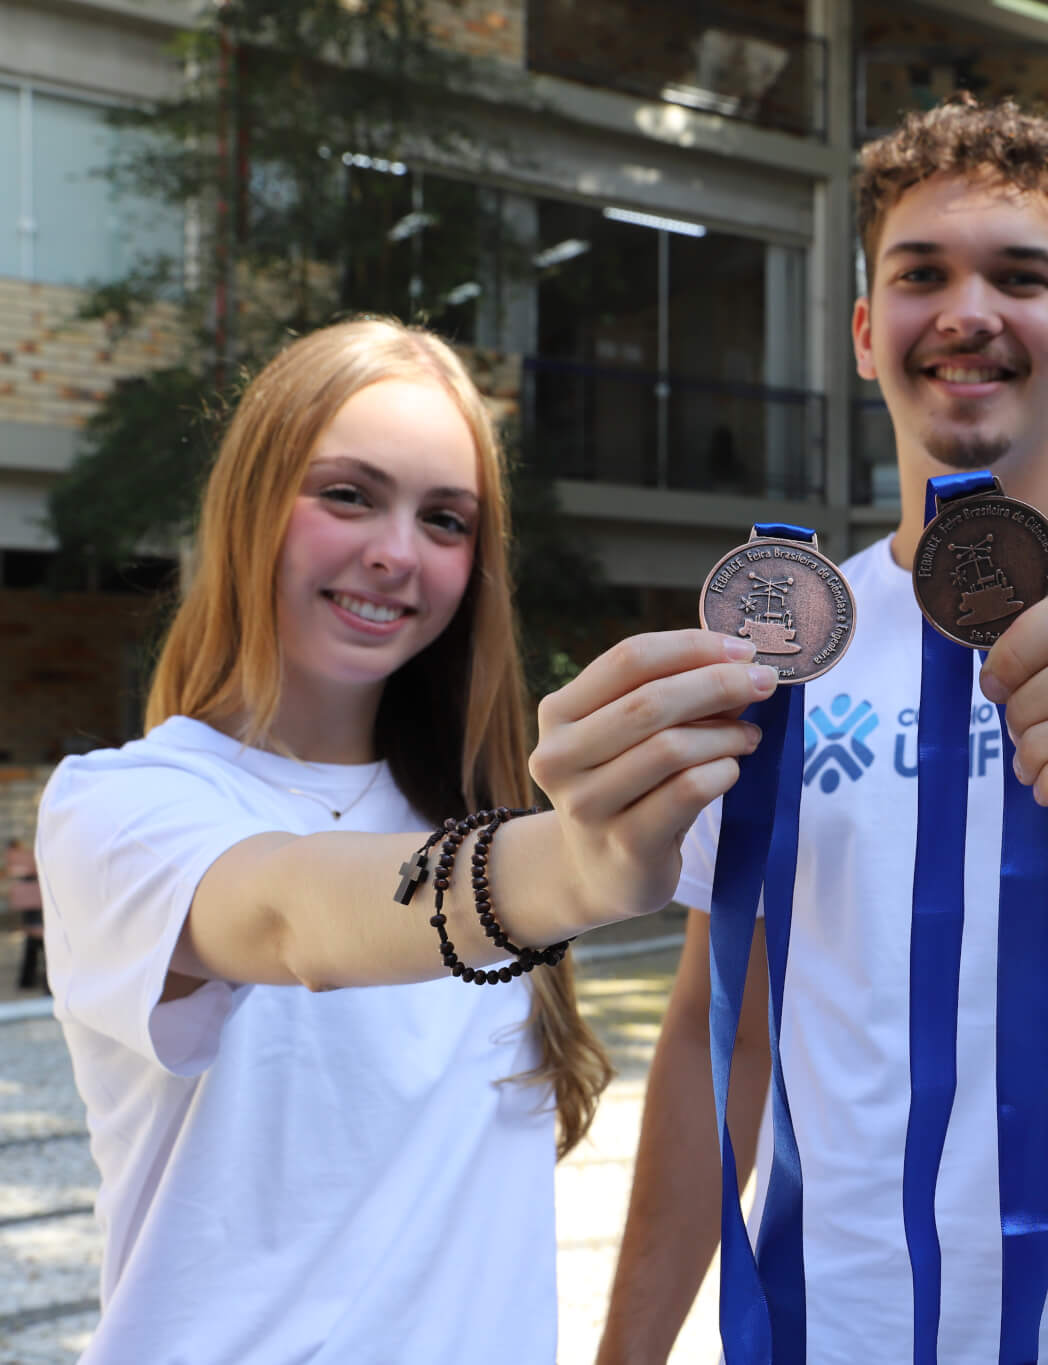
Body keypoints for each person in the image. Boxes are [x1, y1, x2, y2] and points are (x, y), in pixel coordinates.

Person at [597, 100, 1048, 1364]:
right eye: (921, 274)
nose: (967, 311)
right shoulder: (780, 642)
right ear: (868, 331)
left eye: (1020, 278)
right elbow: (731, 1034)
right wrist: (627, 1352)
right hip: (835, 1328)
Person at [36, 317, 779, 1363]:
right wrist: (573, 866)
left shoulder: (484, 817)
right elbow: (293, 914)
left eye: (445, 519)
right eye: (347, 494)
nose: (395, 553)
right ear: (250, 503)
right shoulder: (119, 805)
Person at [7, 836, 43, 993]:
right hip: (35, 910)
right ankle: (31, 980)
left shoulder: (22, 866)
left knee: (33, 943)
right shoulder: (24, 865)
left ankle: (29, 980)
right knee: (36, 942)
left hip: (34, 910)